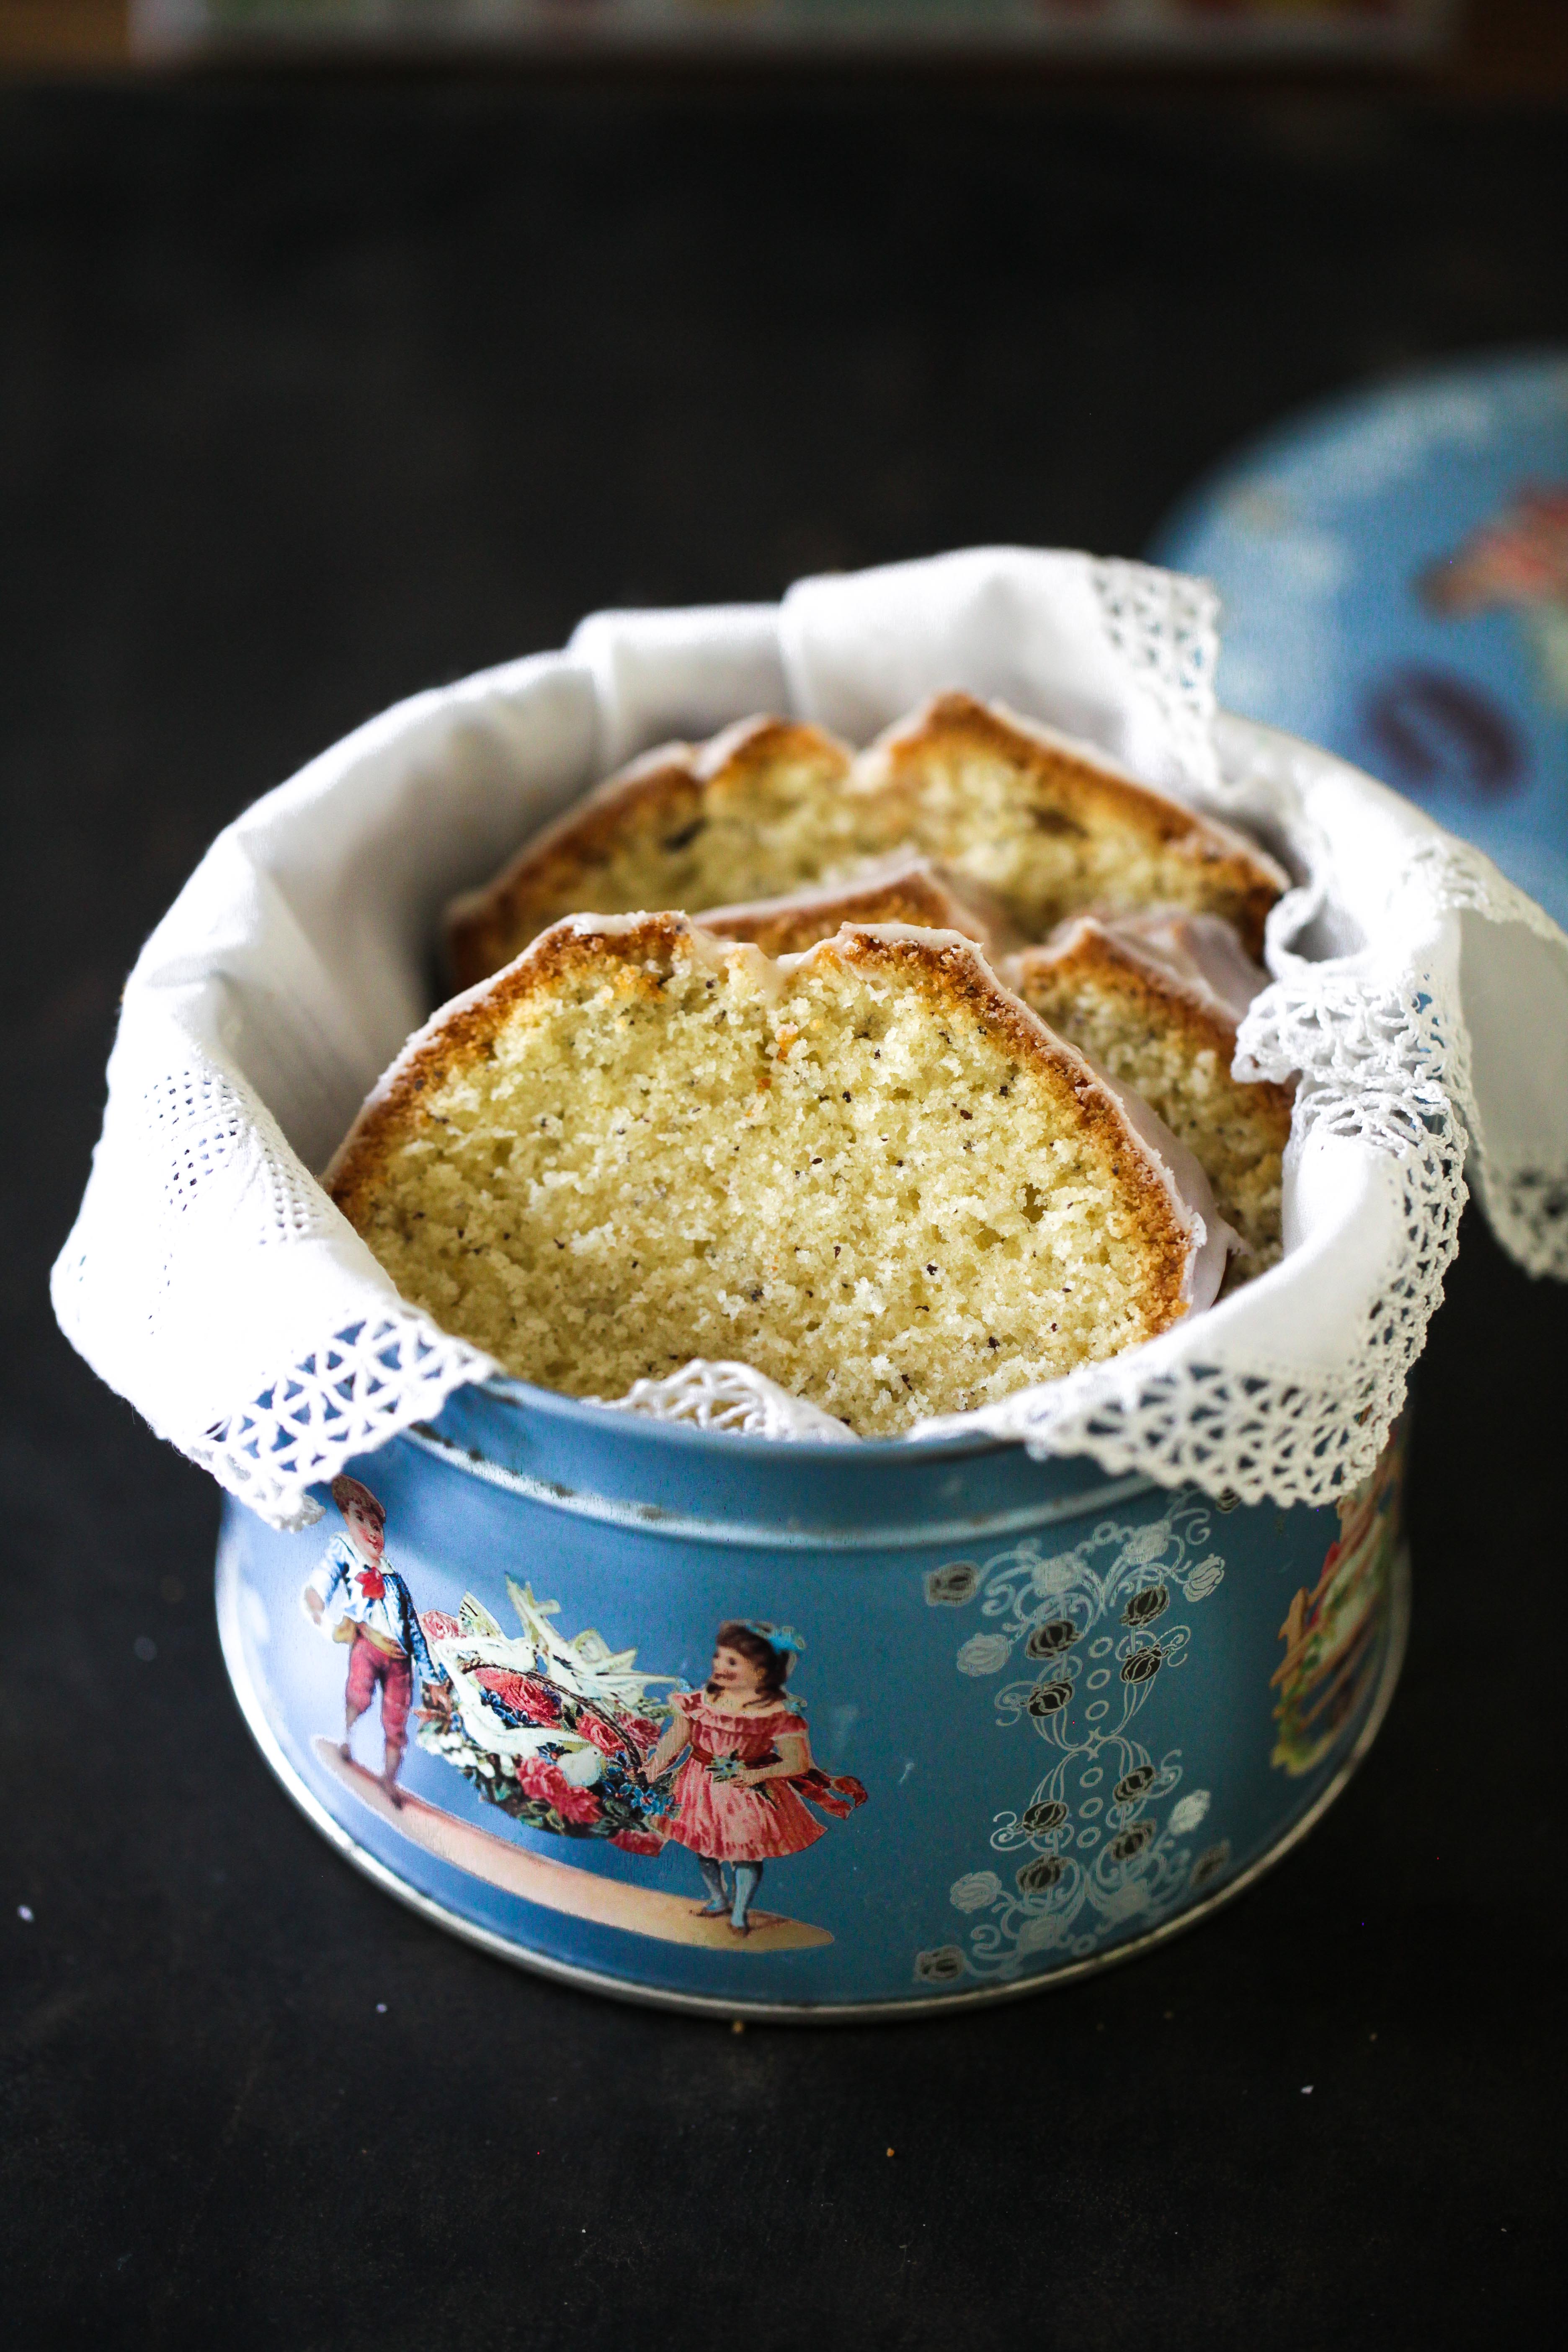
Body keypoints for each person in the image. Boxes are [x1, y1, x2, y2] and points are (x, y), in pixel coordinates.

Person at [641, 1621, 865, 1935]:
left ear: (762, 1672)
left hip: (746, 1790)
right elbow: (676, 1740)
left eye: (732, 1662)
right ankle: (718, 1899)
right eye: (719, 1657)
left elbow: (798, 1762)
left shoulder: (777, 1713)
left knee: (744, 1854)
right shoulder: (699, 1702)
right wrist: (652, 1769)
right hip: (698, 1785)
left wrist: (755, 1774)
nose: (719, 1665)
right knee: (704, 1848)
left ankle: (740, 1912)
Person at [302, 1476, 438, 1806]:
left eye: (376, 1525)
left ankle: (389, 1782)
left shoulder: (396, 1581)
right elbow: (329, 1571)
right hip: (366, 1643)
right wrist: (317, 1594)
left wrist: (432, 1678)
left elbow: (414, 1631)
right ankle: (346, 1739)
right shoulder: (346, 1550)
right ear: (347, 1521)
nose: (370, 1531)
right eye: (359, 1520)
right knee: (358, 1695)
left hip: (399, 1660)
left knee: (396, 1721)